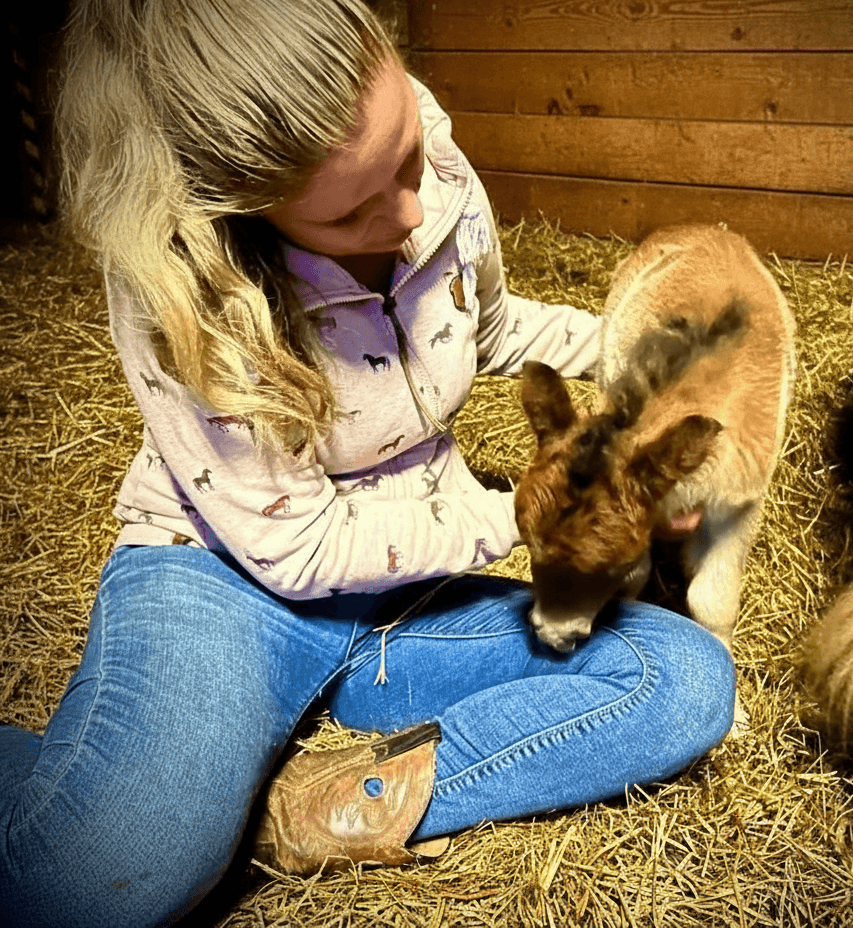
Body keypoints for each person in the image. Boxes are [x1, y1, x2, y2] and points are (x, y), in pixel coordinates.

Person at [0, 1, 736, 925]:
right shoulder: (183, 290)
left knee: (680, 681)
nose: (416, 212)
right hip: (229, 589)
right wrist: (510, 517)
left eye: (408, 157)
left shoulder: (422, 168)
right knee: (94, 892)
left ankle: (295, 810)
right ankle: (166, 806)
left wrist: (635, 349)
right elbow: (299, 550)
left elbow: (492, 329)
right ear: (240, 205)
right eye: (354, 212)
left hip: (404, 596)